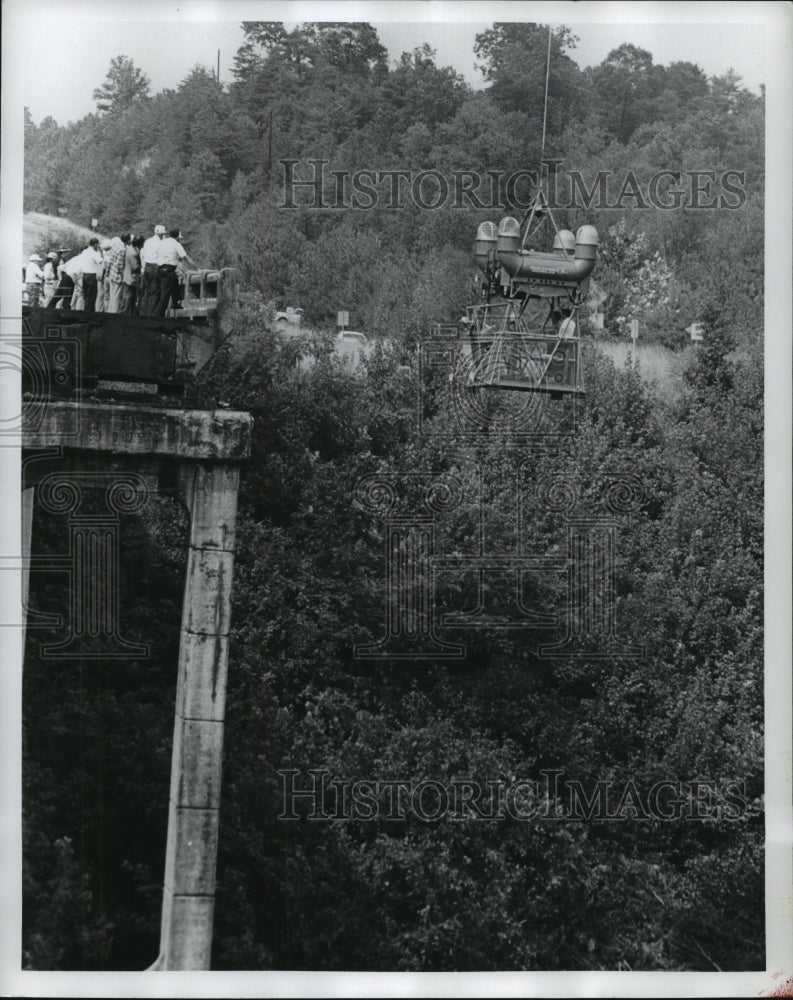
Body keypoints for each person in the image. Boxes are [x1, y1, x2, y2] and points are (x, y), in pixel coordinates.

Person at [154, 227, 198, 317]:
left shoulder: (163, 242)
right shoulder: (176, 244)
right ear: (177, 236)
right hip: (168, 269)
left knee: (174, 285)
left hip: (159, 269)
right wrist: (197, 268)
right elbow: (186, 258)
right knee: (165, 294)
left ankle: (177, 304)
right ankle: (158, 316)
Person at [139, 224, 166, 315]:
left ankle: (143, 312)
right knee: (155, 292)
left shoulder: (147, 241)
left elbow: (143, 255)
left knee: (147, 291)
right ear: (162, 234)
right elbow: (161, 257)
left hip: (147, 266)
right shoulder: (161, 243)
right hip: (155, 266)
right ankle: (151, 313)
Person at [105, 234, 130, 313]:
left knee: (112, 296)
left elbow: (111, 259)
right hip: (117, 275)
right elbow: (120, 265)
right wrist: (124, 274)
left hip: (112, 273)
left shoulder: (115, 245)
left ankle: (110, 311)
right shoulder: (122, 249)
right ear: (128, 240)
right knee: (116, 297)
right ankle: (114, 313)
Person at [78, 238, 103, 312]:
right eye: (97, 244)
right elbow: (100, 261)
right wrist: (100, 252)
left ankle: (87, 311)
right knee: (92, 296)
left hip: (84, 275)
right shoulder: (94, 253)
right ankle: (89, 312)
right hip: (91, 276)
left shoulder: (84, 252)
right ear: (95, 244)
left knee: (86, 296)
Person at [123, 236, 143, 314]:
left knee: (131, 296)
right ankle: (127, 312)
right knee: (129, 297)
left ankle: (129, 312)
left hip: (129, 276)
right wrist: (141, 266)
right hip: (131, 278)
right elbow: (135, 267)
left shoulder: (131, 249)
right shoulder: (133, 252)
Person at [96, 238, 112, 311]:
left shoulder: (101, 254)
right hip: (106, 275)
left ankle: (99, 310)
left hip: (101, 275)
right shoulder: (109, 255)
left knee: (101, 295)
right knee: (106, 296)